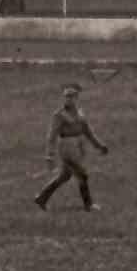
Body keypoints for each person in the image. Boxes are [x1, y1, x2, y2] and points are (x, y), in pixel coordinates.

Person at [33, 83, 109, 212]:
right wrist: (49, 156)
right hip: (66, 149)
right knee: (83, 175)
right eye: (66, 96)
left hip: (78, 147)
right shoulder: (59, 115)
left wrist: (99, 146)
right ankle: (88, 205)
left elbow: (88, 132)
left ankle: (42, 198)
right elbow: (52, 136)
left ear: (76, 98)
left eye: (71, 96)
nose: (68, 99)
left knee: (65, 176)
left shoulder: (80, 114)